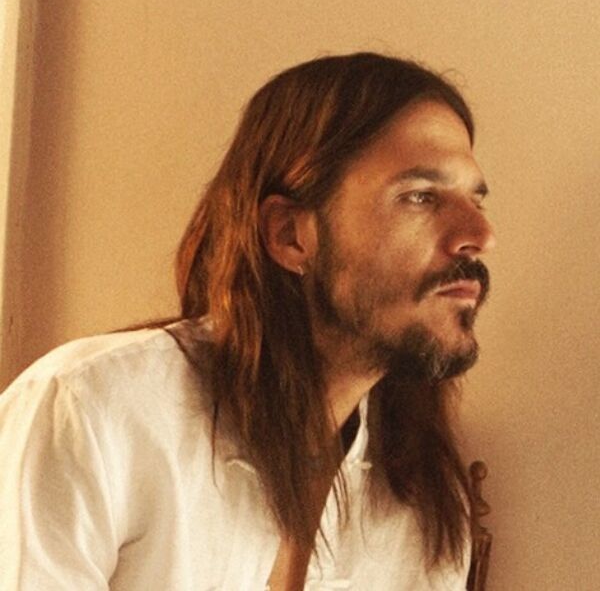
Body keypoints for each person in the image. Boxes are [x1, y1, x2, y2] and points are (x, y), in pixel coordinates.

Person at [0, 52, 495, 590]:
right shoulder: (91, 411)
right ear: (289, 235)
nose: (479, 235)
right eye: (420, 197)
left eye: (476, 200)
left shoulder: (426, 504)